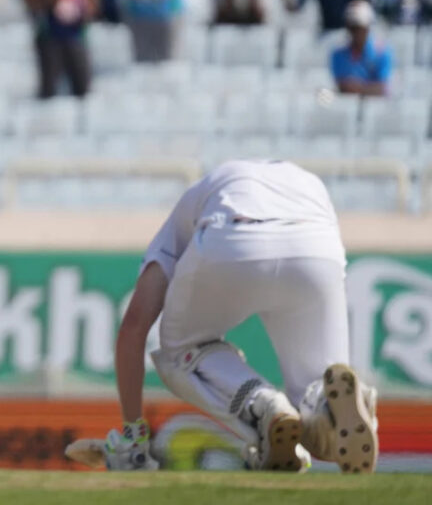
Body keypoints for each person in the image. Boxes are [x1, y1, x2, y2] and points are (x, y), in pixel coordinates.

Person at [108, 160, 378, 473]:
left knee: (178, 351)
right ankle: (328, 404)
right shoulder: (305, 180)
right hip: (317, 246)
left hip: (233, 236)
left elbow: (133, 329)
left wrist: (132, 435)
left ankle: (262, 405)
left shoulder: (185, 211)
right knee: (316, 391)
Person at [331, 0, 393, 97]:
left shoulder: (382, 52)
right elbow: (341, 85)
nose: (356, 32)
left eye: (359, 27)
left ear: (368, 27)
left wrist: (358, 88)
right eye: (353, 28)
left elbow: (381, 88)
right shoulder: (337, 54)